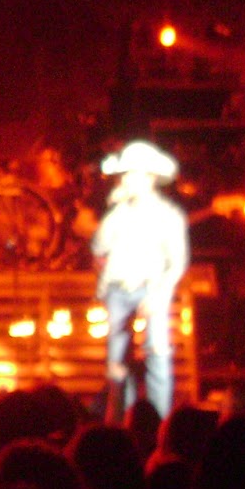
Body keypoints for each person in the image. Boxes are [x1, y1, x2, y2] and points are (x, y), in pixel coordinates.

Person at [91, 138, 188, 422]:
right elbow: (98, 249)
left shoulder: (168, 216)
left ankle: (159, 420)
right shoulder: (116, 216)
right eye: (125, 174)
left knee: (157, 354)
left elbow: (177, 262)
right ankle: (124, 419)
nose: (125, 180)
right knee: (118, 361)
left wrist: (159, 293)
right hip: (118, 291)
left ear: (149, 177)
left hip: (152, 288)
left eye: (131, 174)